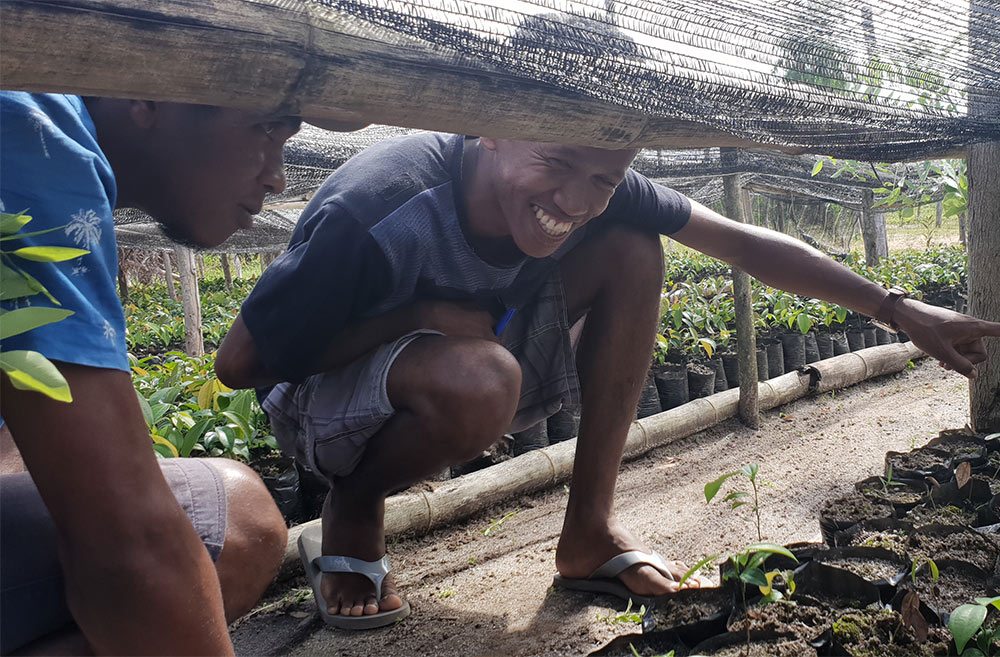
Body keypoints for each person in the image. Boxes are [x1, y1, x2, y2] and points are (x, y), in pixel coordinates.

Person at [214, 132, 1000, 628]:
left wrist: (899, 311)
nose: (577, 198)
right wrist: (417, 311)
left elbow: (743, 243)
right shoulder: (381, 200)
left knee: (633, 248)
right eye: (557, 164)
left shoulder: (593, 183)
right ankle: (356, 503)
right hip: (325, 396)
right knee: (483, 376)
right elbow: (242, 363)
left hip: (464, 360)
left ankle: (588, 532)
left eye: (604, 174)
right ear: (489, 128)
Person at [0, 91, 302, 655]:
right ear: (145, 92)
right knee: (236, 518)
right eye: (267, 128)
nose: (279, 179)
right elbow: (125, 541)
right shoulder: (33, 129)